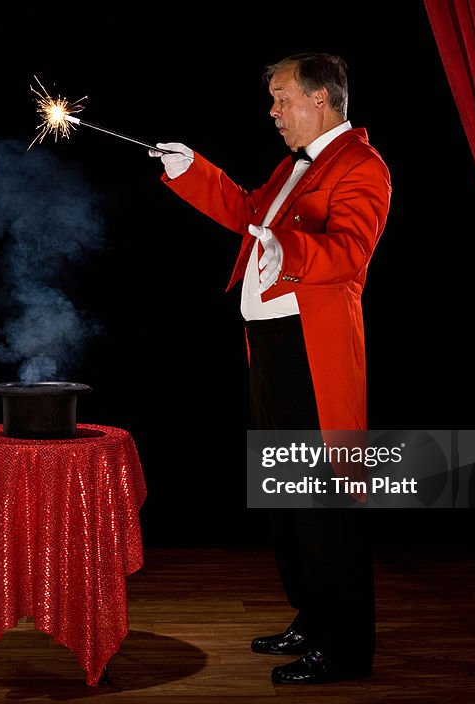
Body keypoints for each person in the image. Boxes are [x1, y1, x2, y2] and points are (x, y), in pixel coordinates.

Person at [150, 52, 391, 684]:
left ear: (321, 98)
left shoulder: (362, 165)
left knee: (325, 500)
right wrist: (191, 170)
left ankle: (345, 648)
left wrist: (290, 248)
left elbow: (351, 252)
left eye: (282, 98)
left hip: (311, 351)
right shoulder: (293, 165)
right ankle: (313, 617)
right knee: (288, 494)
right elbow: (247, 211)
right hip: (271, 348)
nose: (274, 111)